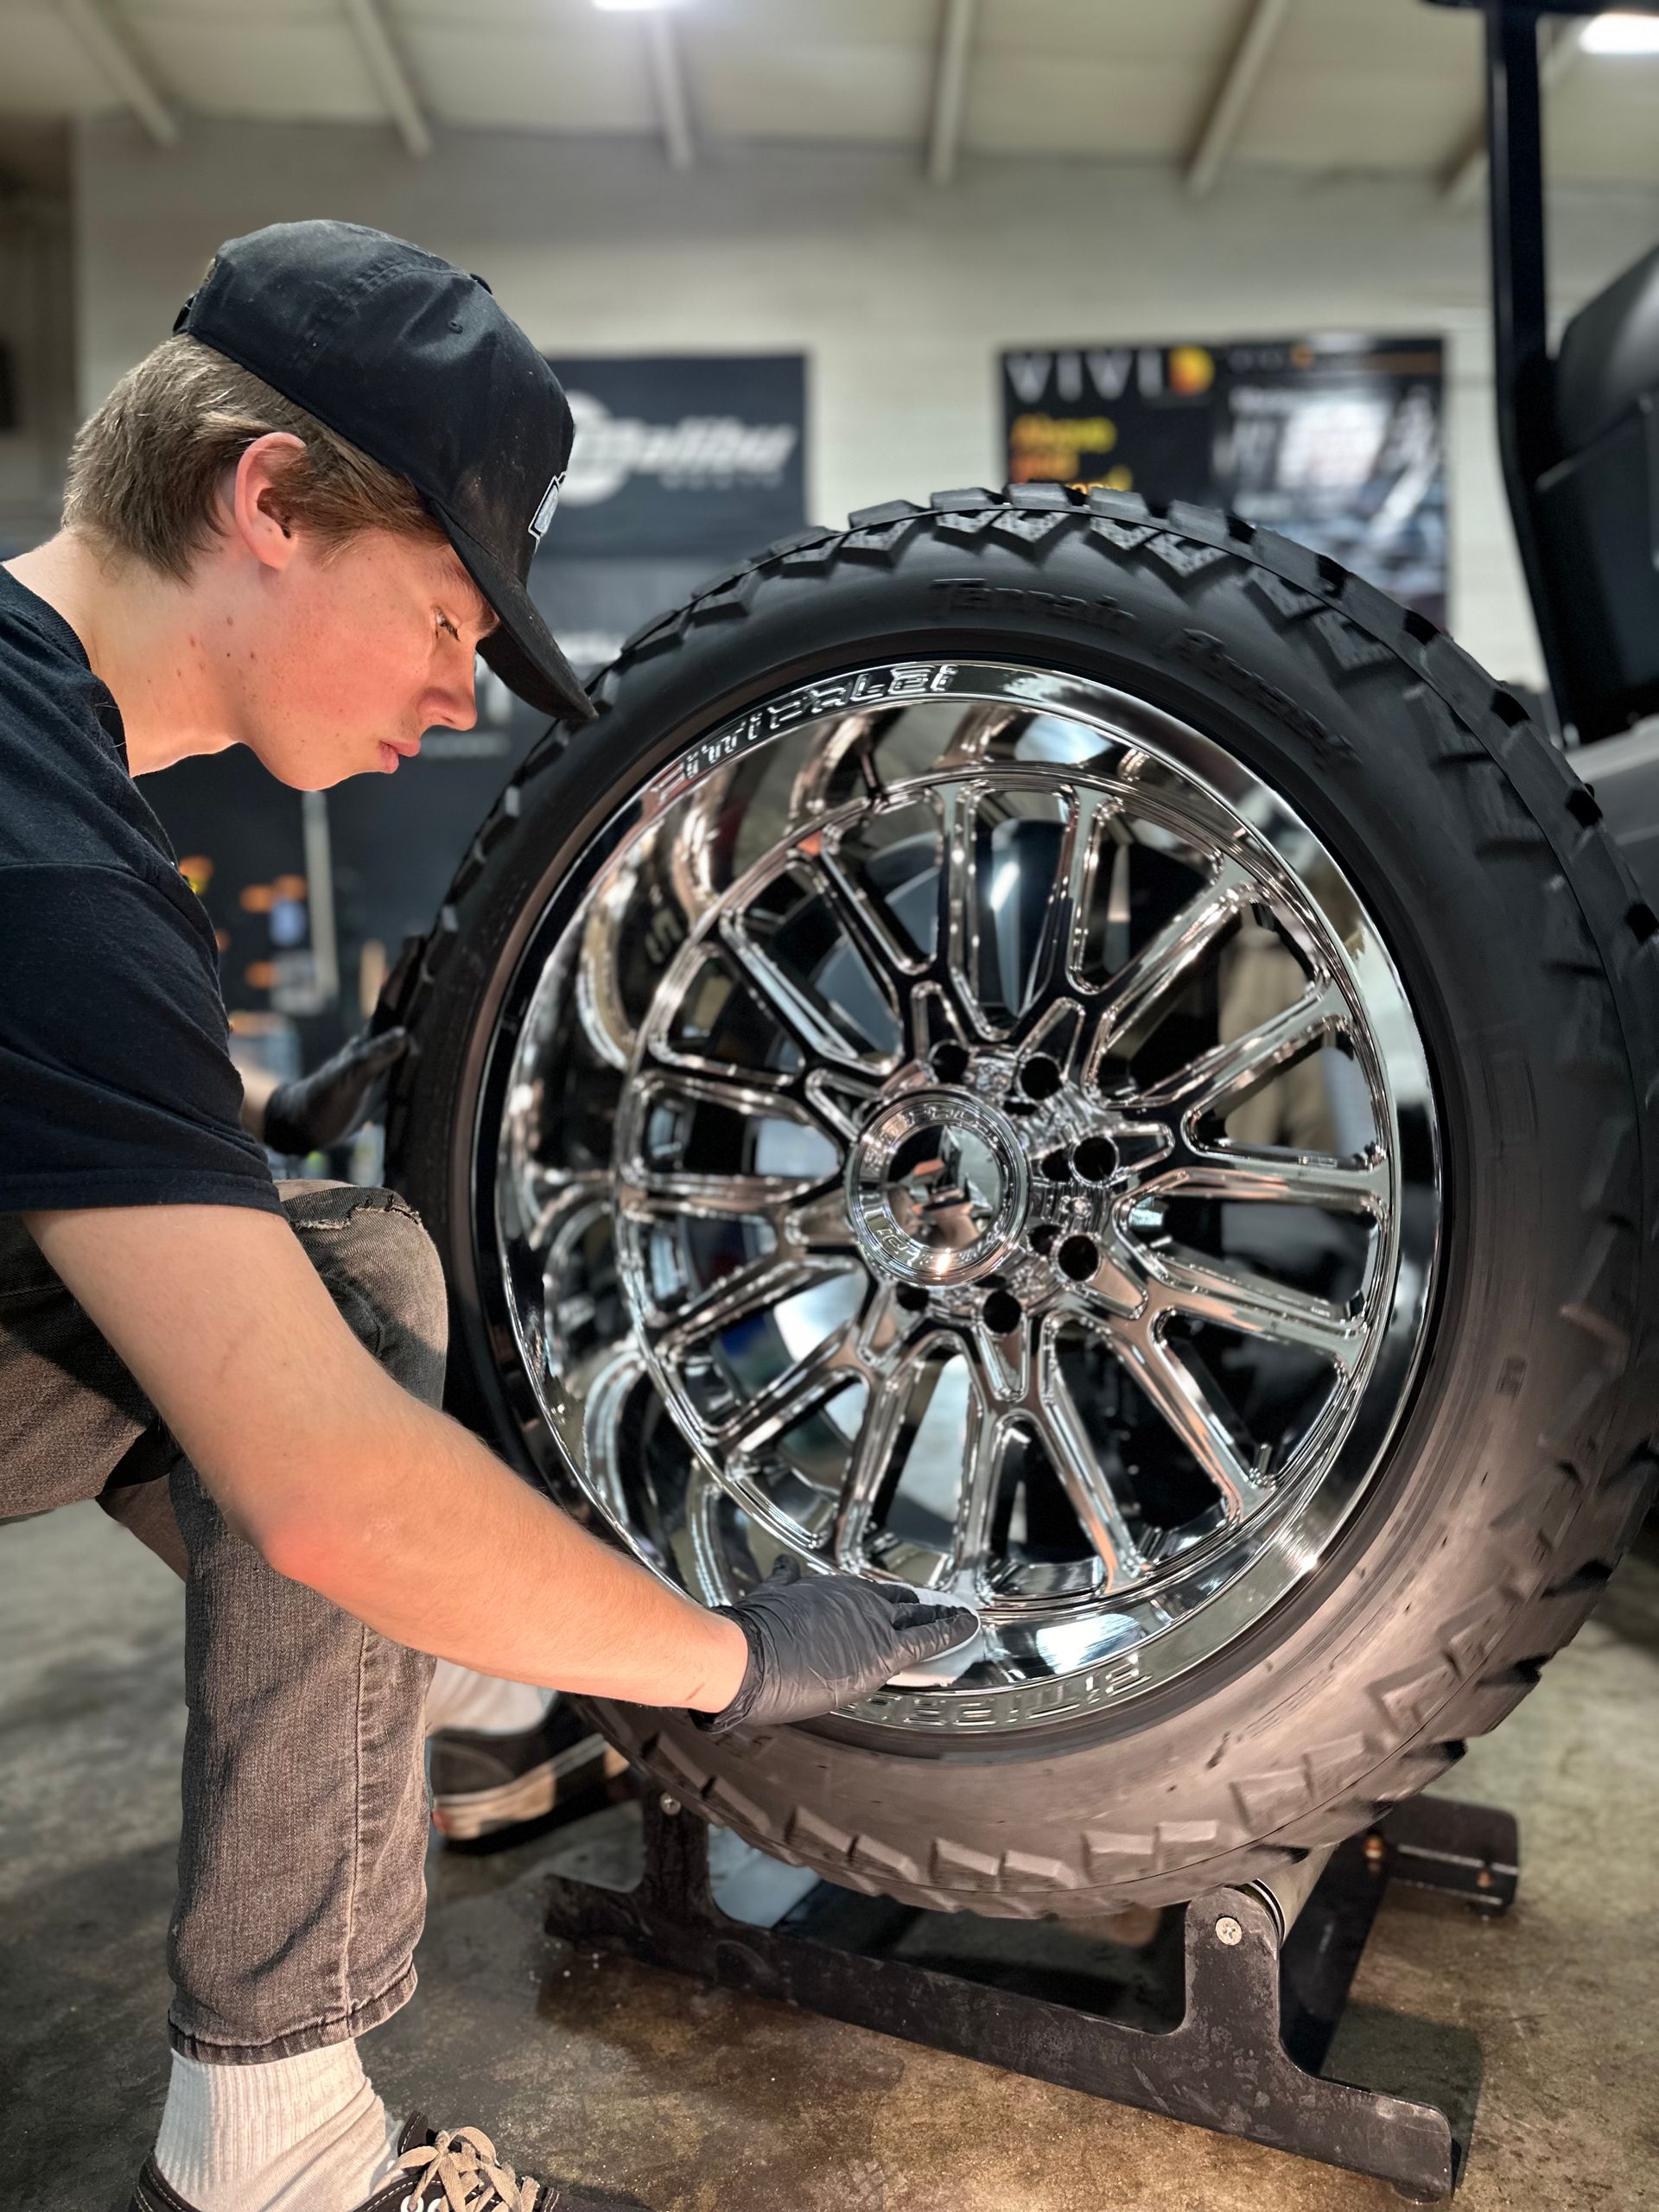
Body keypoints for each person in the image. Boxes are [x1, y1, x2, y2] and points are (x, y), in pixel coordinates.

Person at [0, 220, 976, 2212]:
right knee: (344, 1317)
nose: (461, 693)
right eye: (448, 615)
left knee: (304, 1246)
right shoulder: (49, 865)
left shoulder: (48, 768)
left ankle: (449, 1683)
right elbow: (325, 1484)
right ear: (266, 497)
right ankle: (278, 2146)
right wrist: (713, 1657)